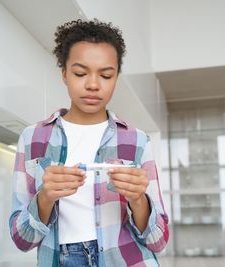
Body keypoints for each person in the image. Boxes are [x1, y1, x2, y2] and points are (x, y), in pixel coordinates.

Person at [9, 19, 169, 267]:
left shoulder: (137, 140)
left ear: (116, 77)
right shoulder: (33, 138)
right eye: (80, 73)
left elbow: (159, 241)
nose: (93, 85)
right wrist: (45, 198)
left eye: (106, 75)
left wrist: (138, 200)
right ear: (64, 74)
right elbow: (22, 240)